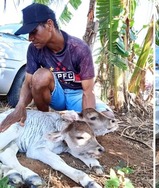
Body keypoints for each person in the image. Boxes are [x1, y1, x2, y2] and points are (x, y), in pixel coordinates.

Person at [0, 3, 112, 132]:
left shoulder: (79, 49)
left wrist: (86, 124)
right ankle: (45, 119)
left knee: (107, 119)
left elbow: (88, 92)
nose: (30, 38)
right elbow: (28, 82)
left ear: (49, 25)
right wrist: (19, 107)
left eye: (33, 32)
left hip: (77, 95)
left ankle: (74, 119)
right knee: (40, 75)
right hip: (56, 95)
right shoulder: (34, 49)